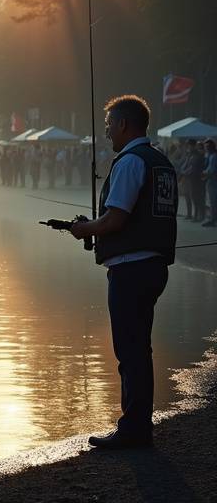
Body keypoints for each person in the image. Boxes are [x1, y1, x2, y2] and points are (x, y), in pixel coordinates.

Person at [70, 95, 177, 449]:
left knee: (130, 351)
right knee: (138, 349)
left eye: (108, 127)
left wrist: (86, 230)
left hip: (132, 269)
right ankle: (138, 425)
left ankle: (134, 430)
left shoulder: (131, 161)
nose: (106, 133)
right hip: (155, 266)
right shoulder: (161, 162)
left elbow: (117, 218)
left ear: (123, 125)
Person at [203, 139, 217, 227]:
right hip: (212, 181)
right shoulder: (211, 155)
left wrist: (204, 173)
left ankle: (212, 220)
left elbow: (211, 170)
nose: (206, 148)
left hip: (213, 181)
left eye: (207, 147)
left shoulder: (213, 156)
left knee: (212, 202)